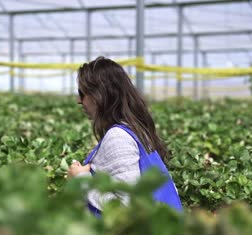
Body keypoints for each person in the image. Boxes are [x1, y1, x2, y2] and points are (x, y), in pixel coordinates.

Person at [67, 56, 182, 215]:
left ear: (99, 95)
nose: (79, 100)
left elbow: (126, 207)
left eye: (82, 93)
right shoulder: (136, 130)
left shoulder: (118, 137)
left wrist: (81, 179)